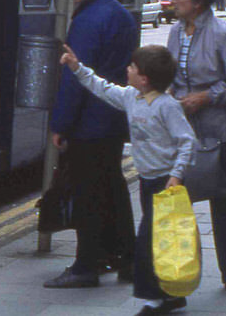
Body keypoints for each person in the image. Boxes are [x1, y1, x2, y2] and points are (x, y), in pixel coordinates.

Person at [59, 43, 196, 316]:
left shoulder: (167, 106)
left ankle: (155, 300)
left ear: (143, 78)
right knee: (162, 241)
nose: (128, 69)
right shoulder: (131, 97)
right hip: (147, 182)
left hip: (166, 185)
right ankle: (172, 296)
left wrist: (176, 174)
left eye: (132, 67)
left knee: (147, 242)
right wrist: (77, 68)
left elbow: (187, 141)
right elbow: (103, 88)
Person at [43, 0, 138, 289]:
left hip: (89, 120)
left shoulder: (89, 20)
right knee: (111, 188)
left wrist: (61, 124)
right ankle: (129, 259)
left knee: (87, 194)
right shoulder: (120, 14)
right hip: (112, 117)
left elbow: (75, 77)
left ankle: (86, 265)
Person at [165, 0, 226, 290]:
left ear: (197, 2)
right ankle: (180, 274)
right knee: (176, 203)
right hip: (182, 133)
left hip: (218, 132)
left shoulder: (225, 34)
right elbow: (170, 76)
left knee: (223, 202)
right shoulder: (174, 32)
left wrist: (206, 96)